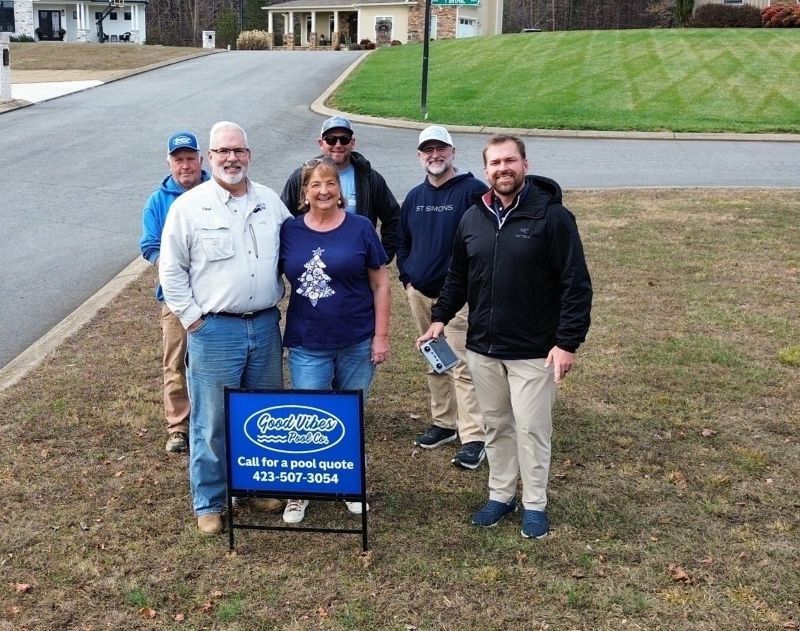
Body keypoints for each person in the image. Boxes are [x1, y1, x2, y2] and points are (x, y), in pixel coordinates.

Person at [418, 134, 592, 540]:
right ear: (485, 171)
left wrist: (567, 343)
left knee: (532, 429)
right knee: (496, 426)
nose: (503, 169)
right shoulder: (472, 218)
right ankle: (500, 495)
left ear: (525, 165)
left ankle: (534, 503)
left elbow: (575, 284)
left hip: (534, 351)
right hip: (483, 349)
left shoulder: (552, 217)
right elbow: (459, 275)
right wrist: (441, 316)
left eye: (509, 161)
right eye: (495, 163)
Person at [159, 121, 292, 536]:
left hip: (266, 325)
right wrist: (192, 319)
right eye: (222, 152)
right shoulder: (190, 207)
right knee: (212, 420)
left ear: (249, 155)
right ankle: (211, 500)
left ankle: (257, 486)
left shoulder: (270, 202)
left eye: (238, 150)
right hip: (215, 330)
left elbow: (300, 246)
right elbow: (171, 269)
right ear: (209, 158)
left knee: (262, 416)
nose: (231, 158)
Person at [278, 157, 391, 525]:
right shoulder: (290, 231)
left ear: (340, 190)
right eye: (315, 185)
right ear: (304, 193)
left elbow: (381, 282)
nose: (324, 190)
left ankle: (348, 484)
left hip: (356, 340)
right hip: (308, 341)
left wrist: (381, 336)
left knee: (349, 415)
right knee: (307, 417)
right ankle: (300, 491)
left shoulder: (360, 228)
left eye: (331, 184)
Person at [396, 125, 488, 469]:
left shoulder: (472, 191)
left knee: (462, 365)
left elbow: (484, 238)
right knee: (436, 359)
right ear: (420, 156)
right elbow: (402, 241)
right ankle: (444, 423)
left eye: (441, 149)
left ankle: (474, 436)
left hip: (459, 297)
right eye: (427, 151)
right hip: (420, 293)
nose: (435, 156)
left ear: (453, 152)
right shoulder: (414, 197)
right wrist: (407, 278)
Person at [139, 131, 209, 454]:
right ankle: (179, 426)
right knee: (176, 361)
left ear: (201, 159)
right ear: (170, 163)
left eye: (190, 158)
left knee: (211, 360)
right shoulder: (158, 201)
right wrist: (172, 268)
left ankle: (211, 417)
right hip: (174, 298)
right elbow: (149, 246)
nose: (185, 165)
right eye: (178, 160)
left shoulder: (216, 190)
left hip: (213, 295)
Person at [281, 116, 400, 262]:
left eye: (344, 139)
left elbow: (393, 219)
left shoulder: (370, 178)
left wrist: (381, 257)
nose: (338, 144)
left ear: (352, 143)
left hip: (356, 266)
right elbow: (284, 219)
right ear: (321, 143)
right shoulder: (300, 178)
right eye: (330, 139)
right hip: (314, 263)